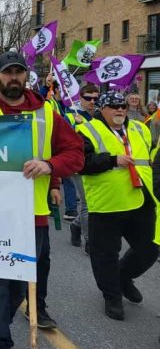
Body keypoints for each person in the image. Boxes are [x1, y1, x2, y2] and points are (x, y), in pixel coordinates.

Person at [0, 52, 83, 349]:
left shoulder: (46, 113)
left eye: (19, 72)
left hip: (33, 218)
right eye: (8, 72)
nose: (14, 77)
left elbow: (75, 153)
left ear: (26, 75)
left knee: (18, 288)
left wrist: (50, 166)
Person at [77, 90, 158, 321]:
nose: (120, 109)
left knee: (149, 248)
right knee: (105, 255)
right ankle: (111, 295)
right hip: (107, 203)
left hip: (141, 199)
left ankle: (123, 277)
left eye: (122, 105)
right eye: (113, 106)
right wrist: (112, 160)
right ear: (102, 109)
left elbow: (152, 158)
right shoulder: (87, 129)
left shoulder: (140, 128)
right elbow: (80, 163)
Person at [68, 83, 99, 253]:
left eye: (95, 98)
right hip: (78, 164)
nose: (92, 102)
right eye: (88, 98)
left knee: (94, 203)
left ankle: (75, 225)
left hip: (96, 163)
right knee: (87, 205)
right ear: (80, 98)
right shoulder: (71, 114)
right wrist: (76, 124)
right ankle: (90, 243)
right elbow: (65, 138)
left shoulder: (100, 115)